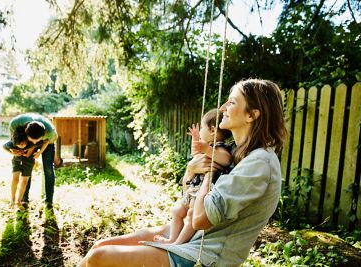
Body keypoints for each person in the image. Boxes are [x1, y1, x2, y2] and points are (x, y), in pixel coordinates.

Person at [77, 78, 287, 267]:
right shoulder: (235, 153)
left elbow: (200, 219)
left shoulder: (259, 163)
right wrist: (189, 173)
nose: (222, 107)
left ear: (252, 115)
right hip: (190, 237)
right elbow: (190, 200)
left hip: (204, 255)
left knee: (100, 258)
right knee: (99, 246)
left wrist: (205, 177)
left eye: (231, 102)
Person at [154, 108, 232, 245]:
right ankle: (172, 239)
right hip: (193, 190)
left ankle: (177, 244)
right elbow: (195, 155)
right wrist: (196, 139)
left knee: (191, 215)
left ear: (212, 131)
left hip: (203, 193)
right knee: (177, 211)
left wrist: (207, 150)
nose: (200, 130)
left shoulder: (219, 147)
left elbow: (226, 160)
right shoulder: (207, 146)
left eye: (202, 127)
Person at [8, 113, 58, 208]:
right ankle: (24, 199)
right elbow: (12, 142)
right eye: (32, 140)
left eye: (37, 140)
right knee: (27, 166)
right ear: (26, 134)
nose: (35, 142)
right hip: (28, 139)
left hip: (47, 142)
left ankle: (49, 200)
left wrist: (39, 152)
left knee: (48, 168)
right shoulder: (15, 124)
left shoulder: (50, 132)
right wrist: (14, 151)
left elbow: (50, 140)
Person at [2, 126, 38, 210]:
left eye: (23, 144)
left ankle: (19, 201)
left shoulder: (31, 142)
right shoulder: (12, 143)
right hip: (17, 160)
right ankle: (13, 199)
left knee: (24, 182)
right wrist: (13, 153)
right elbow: (4, 146)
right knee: (15, 179)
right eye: (19, 144)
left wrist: (29, 153)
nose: (21, 146)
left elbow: (39, 143)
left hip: (28, 162)